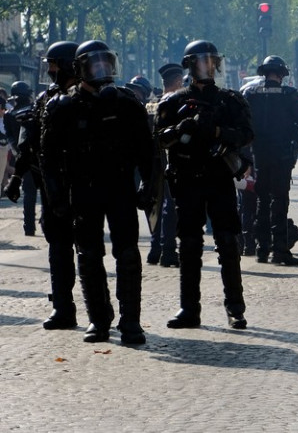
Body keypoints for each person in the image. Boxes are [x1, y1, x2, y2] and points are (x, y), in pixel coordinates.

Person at [41, 41, 155, 344]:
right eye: (94, 65)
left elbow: (148, 152)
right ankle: (99, 320)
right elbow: (48, 157)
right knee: (89, 255)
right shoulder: (63, 107)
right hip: (83, 191)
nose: (102, 71)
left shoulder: (126, 103)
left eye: (106, 64)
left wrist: (149, 186)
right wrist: (56, 197)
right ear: (80, 70)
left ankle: (130, 321)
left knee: (128, 254)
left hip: (120, 189)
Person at [155, 40, 255, 330]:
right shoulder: (173, 102)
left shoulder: (230, 100)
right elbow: (159, 141)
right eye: (201, 62)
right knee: (188, 246)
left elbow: (247, 134)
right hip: (187, 180)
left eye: (211, 61)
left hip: (219, 178)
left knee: (227, 242)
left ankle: (235, 308)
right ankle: (189, 309)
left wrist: (217, 131)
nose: (207, 67)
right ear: (189, 65)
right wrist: (179, 129)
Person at [5, 41, 79, 330]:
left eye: (54, 65)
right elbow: (29, 143)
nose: (50, 71)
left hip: (87, 183)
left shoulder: (93, 97)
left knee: (89, 250)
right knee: (59, 248)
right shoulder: (45, 99)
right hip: (52, 184)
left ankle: (105, 314)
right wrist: (15, 177)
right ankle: (63, 306)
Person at [242, 55, 298, 266]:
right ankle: (280, 249)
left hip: (259, 154)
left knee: (262, 200)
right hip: (282, 155)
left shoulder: (250, 93)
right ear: (282, 74)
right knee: (280, 201)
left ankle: (262, 248)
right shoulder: (290, 94)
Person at [147, 63, 185, 268]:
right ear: (178, 81)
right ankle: (168, 249)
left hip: (151, 162)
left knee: (154, 204)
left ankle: (155, 248)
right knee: (170, 207)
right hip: (169, 159)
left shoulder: (149, 105)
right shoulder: (174, 104)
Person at [5, 80, 38, 236]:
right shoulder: (33, 110)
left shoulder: (9, 114)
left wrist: (17, 152)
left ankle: (29, 226)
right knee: (43, 191)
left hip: (23, 157)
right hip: (36, 156)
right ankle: (38, 222)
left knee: (29, 193)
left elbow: (11, 138)